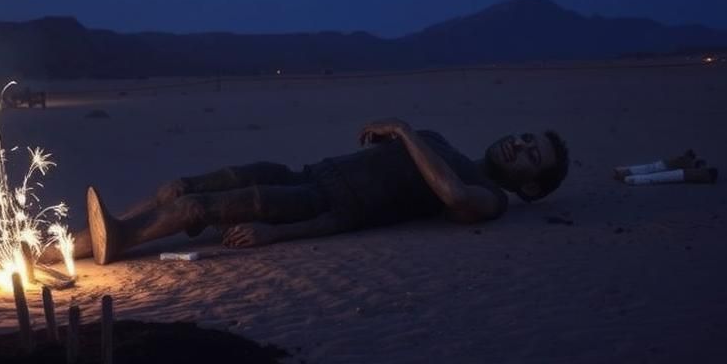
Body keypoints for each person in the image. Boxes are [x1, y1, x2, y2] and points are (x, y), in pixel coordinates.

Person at [84, 118, 570, 265]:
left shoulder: (490, 196)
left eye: (530, 154)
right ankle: (76, 244)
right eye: (525, 137)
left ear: (529, 186)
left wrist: (403, 131)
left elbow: (455, 198)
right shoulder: (441, 141)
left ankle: (121, 240)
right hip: (306, 172)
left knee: (196, 207)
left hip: (320, 202)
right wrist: (408, 139)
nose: (517, 144)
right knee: (179, 186)